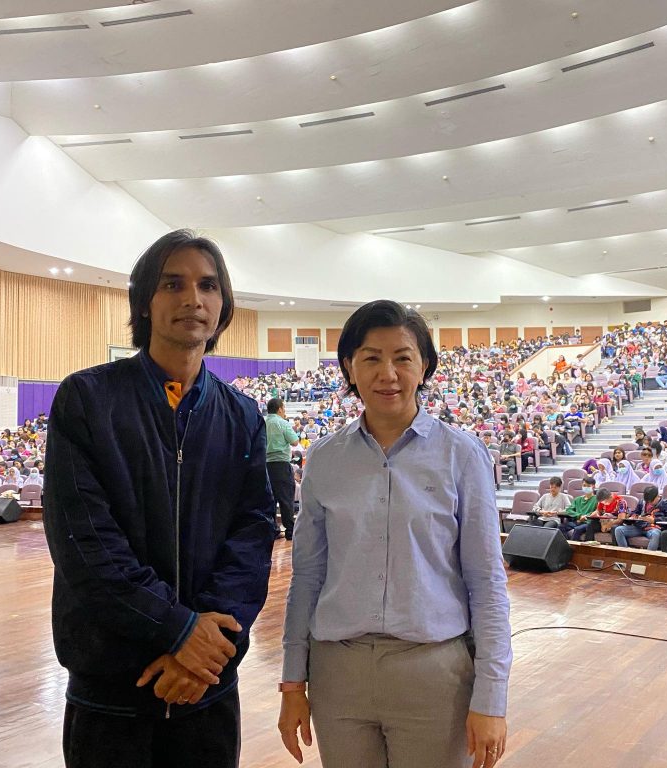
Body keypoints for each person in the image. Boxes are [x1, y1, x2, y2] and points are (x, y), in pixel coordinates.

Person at [43, 229, 276, 768]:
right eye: (173, 284)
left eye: (208, 285)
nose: (193, 299)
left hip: (207, 689)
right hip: (113, 690)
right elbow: (85, 543)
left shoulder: (241, 415)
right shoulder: (87, 399)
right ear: (145, 301)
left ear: (223, 305)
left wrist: (206, 650)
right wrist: (177, 630)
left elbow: (252, 536)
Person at [280, 300, 511, 768]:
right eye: (371, 358)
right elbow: (307, 578)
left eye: (402, 357)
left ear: (424, 366)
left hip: (433, 672)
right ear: (349, 367)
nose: (388, 373)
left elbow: (486, 582)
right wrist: (291, 683)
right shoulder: (324, 458)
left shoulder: (462, 456)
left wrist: (492, 696)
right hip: (338, 673)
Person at [265, 397, 300, 541]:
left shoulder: (262, 422)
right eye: (284, 408)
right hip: (281, 464)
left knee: (269, 499)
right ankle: (290, 531)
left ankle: (273, 530)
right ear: (280, 409)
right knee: (286, 498)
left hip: (265, 465)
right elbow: (295, 441)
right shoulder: (282, 423)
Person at [613, 486, 667, 551]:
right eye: (647, 501)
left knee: (655, 534)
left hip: (654, 528)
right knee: (619, 530)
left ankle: (648, 556)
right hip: (639, 526)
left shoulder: (666, 503)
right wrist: (633, 516)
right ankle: (625, 554)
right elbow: (636, 512)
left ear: (658, 496)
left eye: (651, 501)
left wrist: (654, 520)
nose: (649, 503)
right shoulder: (642, 502)